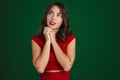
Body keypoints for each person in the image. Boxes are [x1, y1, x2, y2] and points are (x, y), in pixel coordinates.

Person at [31, 2, 76, 80]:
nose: (53, 18)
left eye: (59, 15)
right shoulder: (36, 40)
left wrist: (54, 41)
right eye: (50, 13)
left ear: (63, 20)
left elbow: (67, 66)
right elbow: (40, 68)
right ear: (46, 16)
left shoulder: (70, 39)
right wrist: (48, 41)